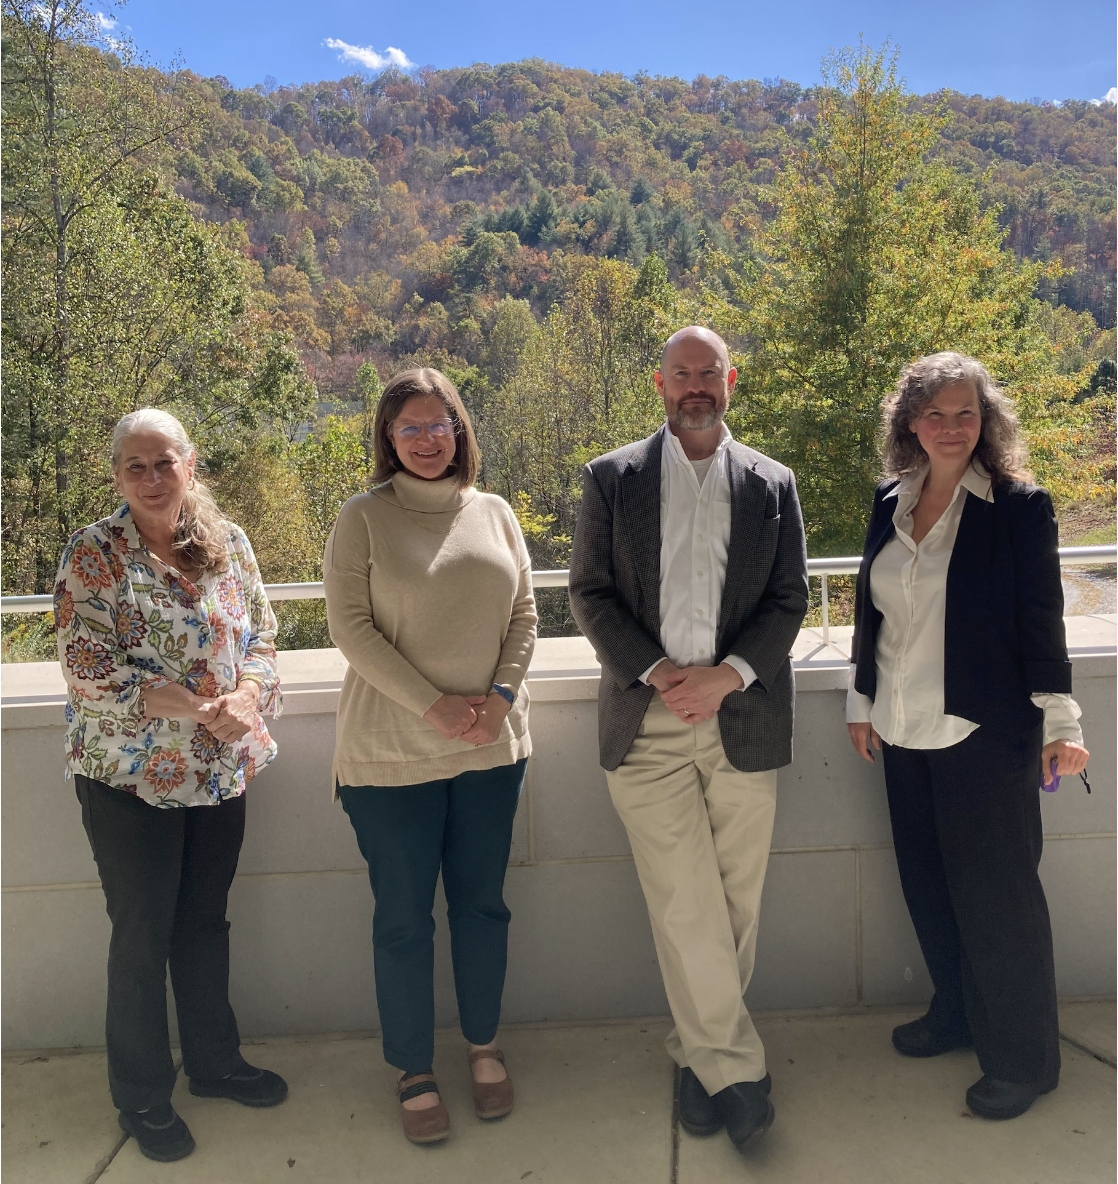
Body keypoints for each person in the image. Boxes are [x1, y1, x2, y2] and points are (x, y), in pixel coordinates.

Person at [569, 327, 808, 1154]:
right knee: (685, 898)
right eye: (682, 374)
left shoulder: (773, 484)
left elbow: (789, 600)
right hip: (648, 718)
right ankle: (739, 1076)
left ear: (730, 381)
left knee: (734, 902)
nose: (696, 386)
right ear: (660, 383)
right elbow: (591, 596)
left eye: (710, 373)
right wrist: (664, 672)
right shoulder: (611, 478)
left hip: (742, 713)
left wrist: (729, 674)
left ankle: (695, 1057)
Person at [846, 351, 1090, 1121]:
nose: (951, 428)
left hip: (985, 730)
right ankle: (956, 1014)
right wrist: (861, 701)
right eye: (935, 414)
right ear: (910, 425)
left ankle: (1024, 1059)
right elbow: (871, 611)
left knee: (1000, 898)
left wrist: (1062, 720)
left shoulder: (1019, 505)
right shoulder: (891, 498)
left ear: (986, 423)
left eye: (965, 414)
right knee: (928, 884)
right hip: (899, 726)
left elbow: (1040, 618)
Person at [54, 408, 288, 1164]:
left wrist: (248, 696)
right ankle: (144, 1096)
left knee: (204, 923)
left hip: (219, 772)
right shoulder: (92, 554)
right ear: (117, 474)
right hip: (130, 781)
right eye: (136, 467)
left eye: (165, 463)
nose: (152, 479)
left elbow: (261, 632)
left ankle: (215, 1064)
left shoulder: (228, 542)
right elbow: (89, 672)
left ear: (191, 464)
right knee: (142, 935)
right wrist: (196, 707)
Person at [323, 368, 536, 1146]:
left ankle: (483, 1047)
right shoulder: (363, 518)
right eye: (407, 427)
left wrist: (502, 700)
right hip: (390, 757)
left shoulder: (495, 512)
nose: (423, 439)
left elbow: (525, 611)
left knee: (482, 907)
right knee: (404, 920)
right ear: (386, 437)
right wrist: (434, 705)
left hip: (490, 749)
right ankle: (413, 1068)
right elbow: (349, 629)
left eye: (436, 424)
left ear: (459, 430)